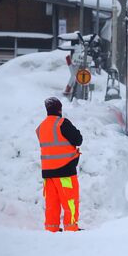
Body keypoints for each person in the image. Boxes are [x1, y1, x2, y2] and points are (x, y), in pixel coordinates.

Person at [36, 97, 83, 232]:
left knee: (52, 203)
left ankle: (51, 228)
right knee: (70, 201)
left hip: (48, 173)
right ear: (59, 109)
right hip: (65, 170)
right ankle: (71, 228)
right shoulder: (62, 123)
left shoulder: (41, 127)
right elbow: (78, 140)